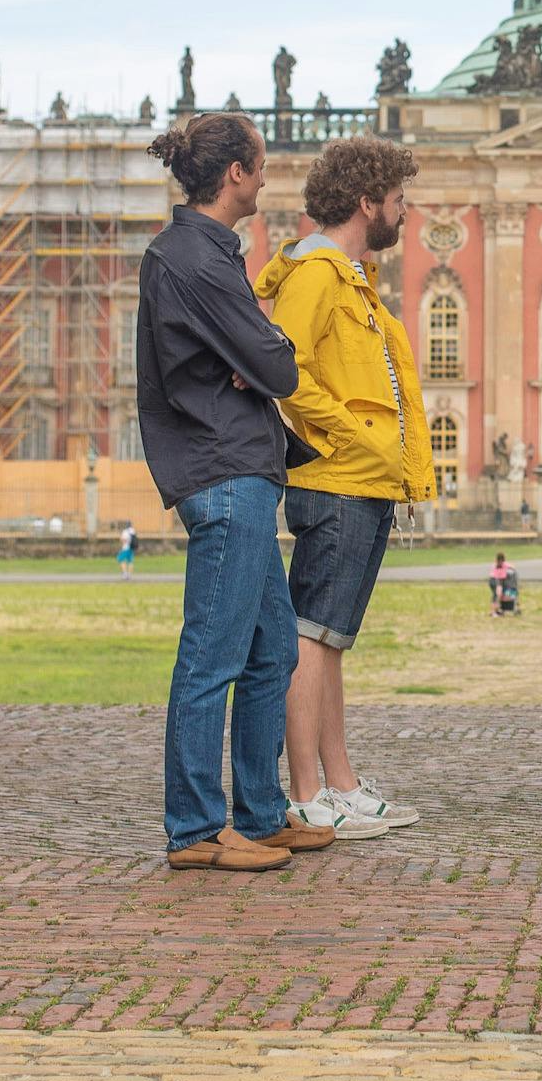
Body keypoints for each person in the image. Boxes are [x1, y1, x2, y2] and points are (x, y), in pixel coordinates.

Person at [136, 112, 335, 874]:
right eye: (261, 165)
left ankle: (255, 812)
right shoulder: (192, 257)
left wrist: (253, 355)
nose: (267, 176)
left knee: (272, 650)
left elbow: (260, 357)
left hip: (243, 465)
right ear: (236, 176)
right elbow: (279, 365)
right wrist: (259, 354)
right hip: (223, 472)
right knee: (212, 657)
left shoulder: (206, 252)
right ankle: (194, 827)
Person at [255, 136, 434, 842]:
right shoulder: (317, 275)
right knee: (309, 635)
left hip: (362, 479)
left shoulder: (352, 278)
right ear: (368, 202)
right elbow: (283, 367)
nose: (404, 213)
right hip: (335, 477)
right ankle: (305, 790)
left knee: (328, 637)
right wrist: (343, 436)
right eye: (399, 200)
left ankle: (342, 781)